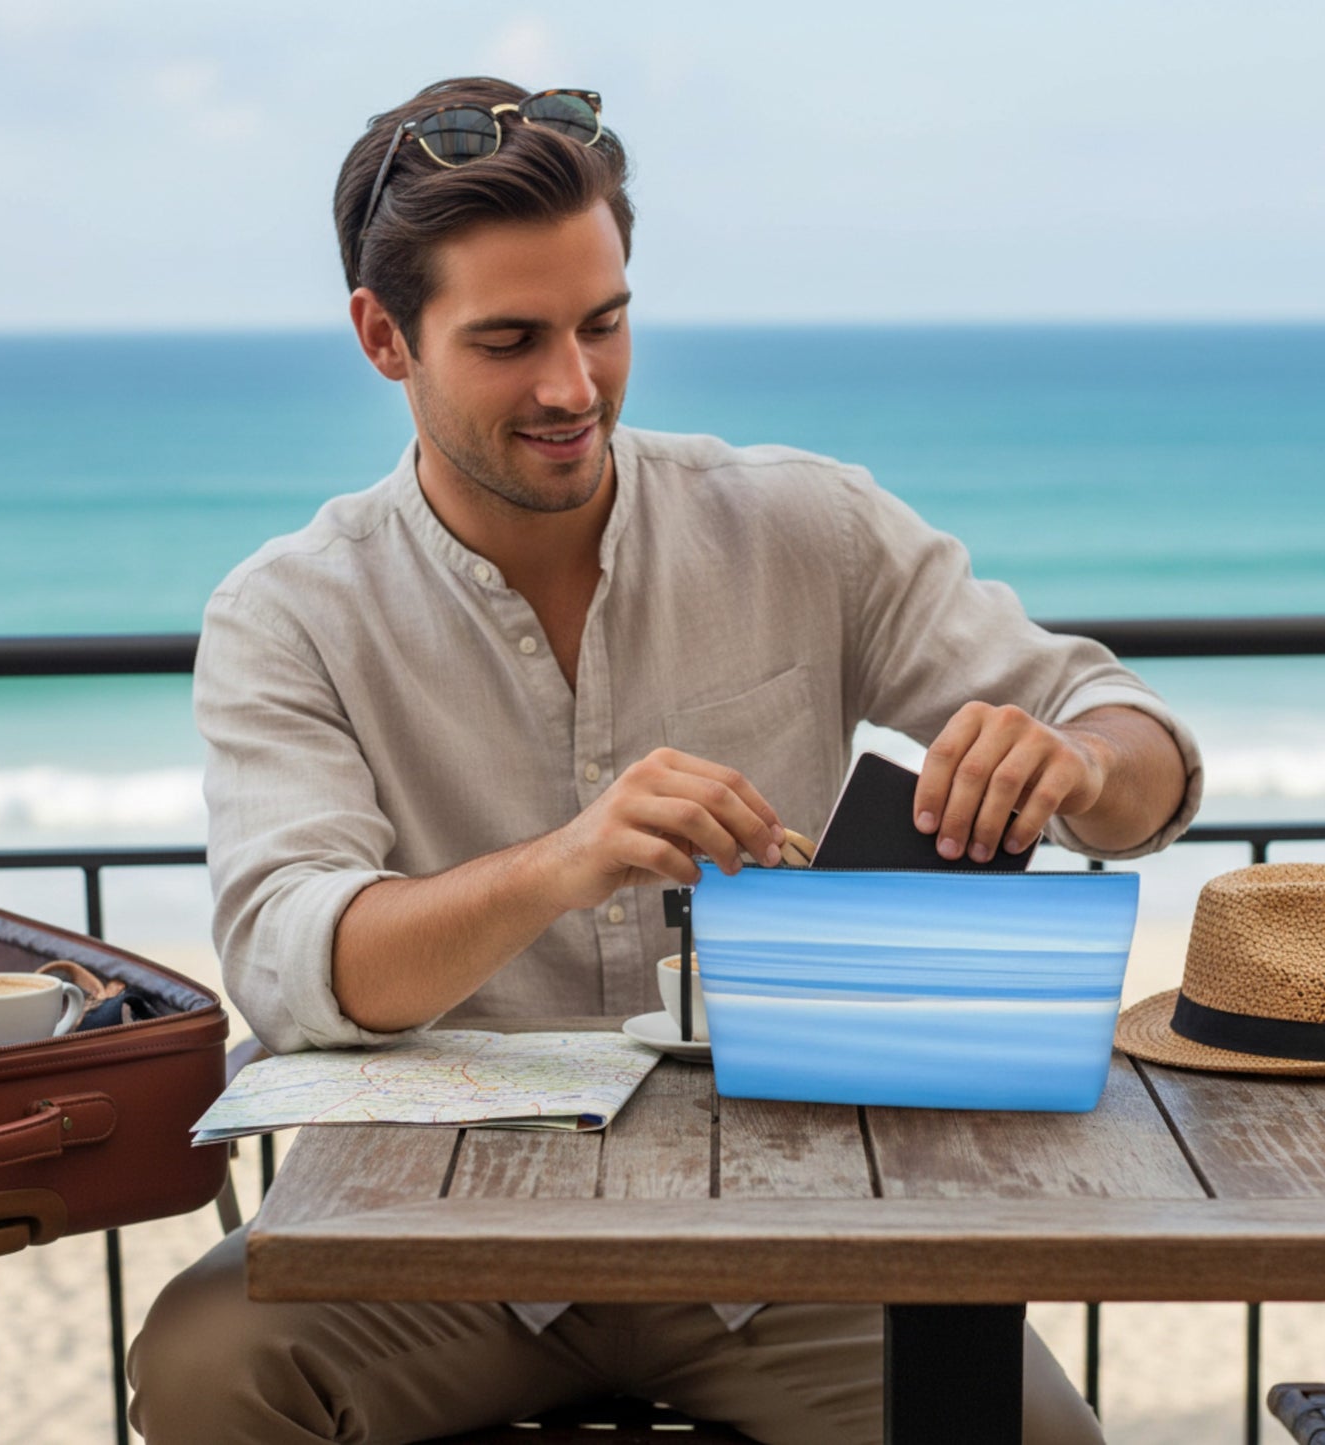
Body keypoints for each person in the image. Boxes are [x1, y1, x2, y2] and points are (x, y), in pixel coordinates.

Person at [128, 75, 1202, 1444]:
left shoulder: (805, 524)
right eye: (509, 338)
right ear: (381, 338)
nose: (574, 385)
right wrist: (560, 865)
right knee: (208, 1362)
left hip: (783, 1244)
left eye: (604, 322)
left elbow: (1135, 742)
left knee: (1032, 1435)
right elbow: (294, 958)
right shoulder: (288, 612)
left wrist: (1076, 763)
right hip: (440, 1242)